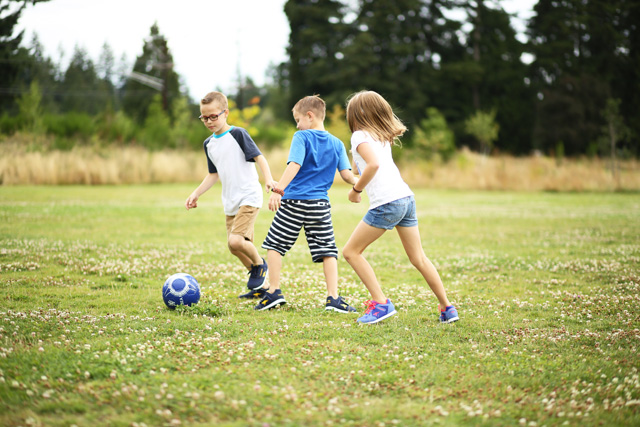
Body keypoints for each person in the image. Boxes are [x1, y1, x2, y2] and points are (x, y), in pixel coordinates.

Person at [342, 90, 459, 324]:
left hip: (387, 203)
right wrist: (354, 156)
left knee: (350, 252)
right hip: (406, 199)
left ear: (354, 115)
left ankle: (381, 304)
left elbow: (372, 165)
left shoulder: (359, 136)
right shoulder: (380, 136)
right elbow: (358, 169)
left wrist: (356, 191)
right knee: (419, 258)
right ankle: (447, 308)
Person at [257, 95, 358, 313]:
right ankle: (333, 298)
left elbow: (295, 164)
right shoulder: (337, 143)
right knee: (328, 251)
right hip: (319, 206)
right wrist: (362, 183)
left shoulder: (301, 137)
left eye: (298, 119)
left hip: (293, 202)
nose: (297, 124)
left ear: (309, 116)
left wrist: (278, 190)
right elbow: (348, 176)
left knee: (274, 245)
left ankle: (274, 291)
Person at [185, 91, 276, 298]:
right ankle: (260, 287)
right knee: (235, 247)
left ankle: (260, 265)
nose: (209, 121)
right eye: (204, 118)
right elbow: (212, 174)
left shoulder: (238, 134)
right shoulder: (209, 144)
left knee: (236, 241)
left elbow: (260, 158)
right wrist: (196, 193)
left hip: (249, 196)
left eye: (213, 116)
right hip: (230, 201)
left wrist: (268, 179)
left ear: (225, 113)